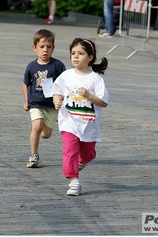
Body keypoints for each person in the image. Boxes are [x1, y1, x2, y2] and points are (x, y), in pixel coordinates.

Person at [52, 38, 109, 196]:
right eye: (73, 53)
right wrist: (57, 100)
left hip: (88, 125)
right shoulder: (66, 75)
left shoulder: (95, 79)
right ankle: (74, 182)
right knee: (69, 151)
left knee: (87, 154)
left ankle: (83, 161)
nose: (75, 57)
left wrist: (89, 95)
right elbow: (56, 91)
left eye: (81, 53)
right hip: (68, 122)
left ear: (90, 57)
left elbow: (103, 102)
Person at [22, 29, 66, 168]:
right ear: (34, 48)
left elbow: (65, 83)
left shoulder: (58, 65)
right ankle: (33, 156)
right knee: (37, 125)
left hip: (52, 106)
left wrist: (61, 99)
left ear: (53, 48)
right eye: (41, 47)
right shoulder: (31, 66)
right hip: (35, 102)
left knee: (46, 134)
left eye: (49, 47)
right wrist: (26, 100)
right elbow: (26, 83)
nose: (45, 50)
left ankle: (40, 130)